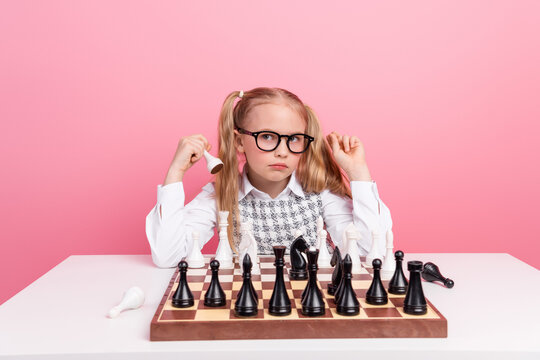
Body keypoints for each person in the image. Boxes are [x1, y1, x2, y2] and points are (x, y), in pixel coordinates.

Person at [146, 87, 392, 268]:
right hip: (249, 306)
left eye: (294, 138)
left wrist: (358, 174)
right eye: (267, 136)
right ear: (239, 141)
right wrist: (175, 174)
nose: (282, 151)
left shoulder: (320, 194)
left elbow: (370, 253)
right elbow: (168, 256)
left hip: (314, 304)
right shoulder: (221, 196)